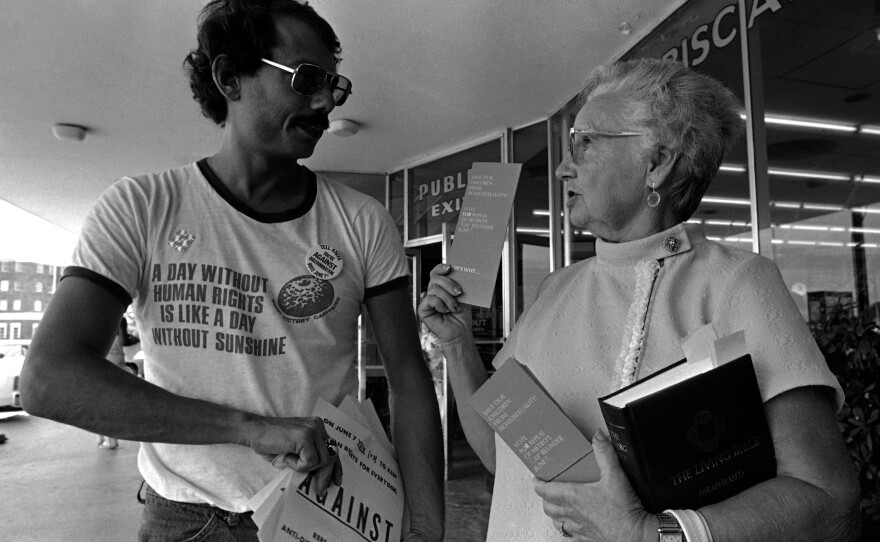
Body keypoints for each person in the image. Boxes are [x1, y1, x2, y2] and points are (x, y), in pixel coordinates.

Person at [21, 1, 443, 540]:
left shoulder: (362, 222)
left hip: (324, 508)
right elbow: (49, 379)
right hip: (184, 517)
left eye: (333, 86)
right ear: (229, 77)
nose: (323, 101)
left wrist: (428, 530)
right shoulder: (142, 207)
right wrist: (250, 431)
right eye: (307, 78)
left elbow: (408, 380)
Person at [418, 59, 861, 541]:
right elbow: (502, 459)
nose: (564, 169)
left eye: (584, 143)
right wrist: (459, 346)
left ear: (657, 163)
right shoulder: (554, 291)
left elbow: (828, 498)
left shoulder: (738, 281)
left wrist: (651, 535)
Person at [96, 317, 130, 450]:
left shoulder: (104, 337)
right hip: (114, 373)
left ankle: (108, 439)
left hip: (107, 373)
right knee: (108, 409)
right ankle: (108, 439)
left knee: (104, 409)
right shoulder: (119, 337)